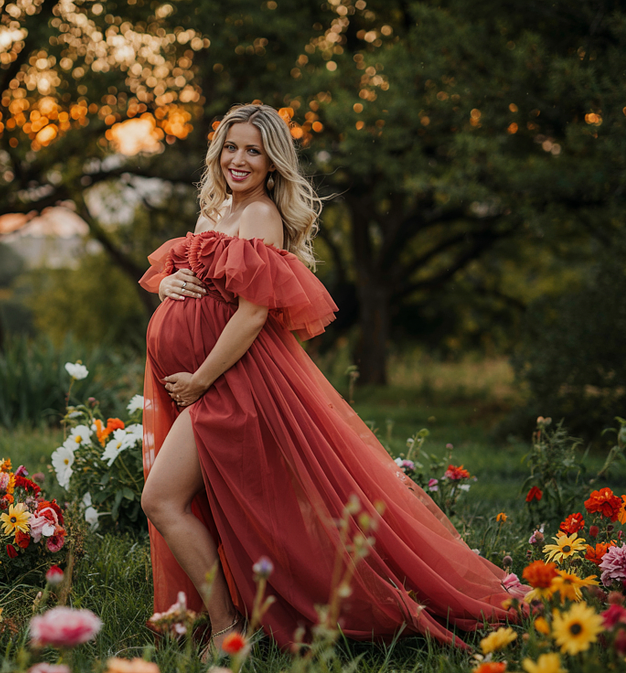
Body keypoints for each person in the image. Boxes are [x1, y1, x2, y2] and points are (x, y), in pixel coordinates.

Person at [138, 104, 517, 658]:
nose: (239, 159)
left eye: (254, 150)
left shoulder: (260, 216)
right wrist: (170, 286)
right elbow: (196, 281)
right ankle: (230, 623)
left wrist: (199, 379)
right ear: (217, 151)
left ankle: (227, 632)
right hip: (210, 383)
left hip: (235, 384)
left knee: (163, 499)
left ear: (272, 163)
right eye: (232, 147)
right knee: (203, 505)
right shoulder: (215, 212)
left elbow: (251, 315)